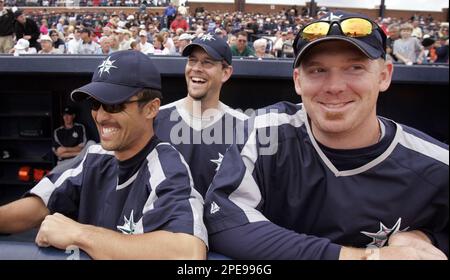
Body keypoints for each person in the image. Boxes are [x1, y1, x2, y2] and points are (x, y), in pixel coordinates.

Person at [204, 11, 448, 260]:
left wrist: (427, 238)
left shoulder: (436, 162)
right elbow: (225, 222)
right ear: (298, 81)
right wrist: (362, 257)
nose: (334, 87)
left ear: (384, 76)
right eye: (318, 70)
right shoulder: (263, 133)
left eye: (355, 68)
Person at [0, 50, 207, 260]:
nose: (100, 116)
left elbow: (188, 252)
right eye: (95, 104)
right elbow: (40, 205)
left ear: (151, 108)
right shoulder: (94, 156)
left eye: (114, 105)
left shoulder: (166, 164)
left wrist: (79, 234)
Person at [154, 33, 248, 197]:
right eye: (192, 60)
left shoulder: (244, 128)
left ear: (225, 73)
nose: (196, 68)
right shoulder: (155, 119)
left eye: (207, 62)